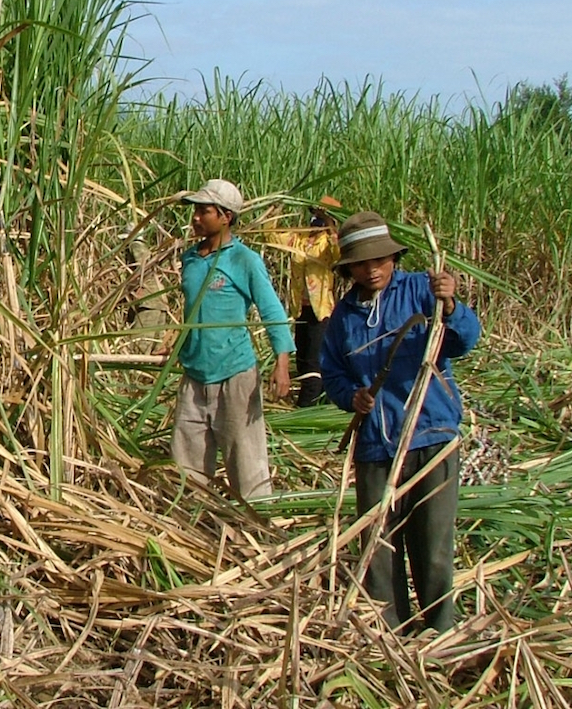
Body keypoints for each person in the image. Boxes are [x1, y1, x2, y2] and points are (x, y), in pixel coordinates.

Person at [320, 211, 481, 633]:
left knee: (433, 547)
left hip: (430, 435)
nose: (372, 270)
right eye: (361, 263)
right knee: (378, 548)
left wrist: (451, 305)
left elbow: (464, 340)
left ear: (394, 259)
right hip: (377, 444)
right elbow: (333, 372)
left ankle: (441, 633)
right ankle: (388, 633)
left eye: (380, 261)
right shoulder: (343, 317)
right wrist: (350, 397)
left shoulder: (420, 292)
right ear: (349, 268)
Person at [172, 178, 295, 500]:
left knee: (246, 463)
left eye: (204, 211)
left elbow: (272, 311)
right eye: (195, 211)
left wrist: (282, 364)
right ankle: (192, 529)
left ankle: (258, 528)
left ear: (226, 216)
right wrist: (176, 342)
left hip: (235, 373)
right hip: (194, 374)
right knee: (187, 467)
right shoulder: (190, 259)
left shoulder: (244, 260)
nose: (195, 218)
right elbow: (193, 310)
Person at [265, 197, 341, 406]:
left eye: (322, 216)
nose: (316, 219)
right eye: (315, 214)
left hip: (321, 311)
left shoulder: (328, 242)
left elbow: (338, 254)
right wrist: (275, 208)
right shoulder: (299, 238)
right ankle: (322, 403)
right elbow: (270, 234)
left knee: (313, 364)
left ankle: (306, 408)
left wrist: (331, 226)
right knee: (302, 360)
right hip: (301, 308)